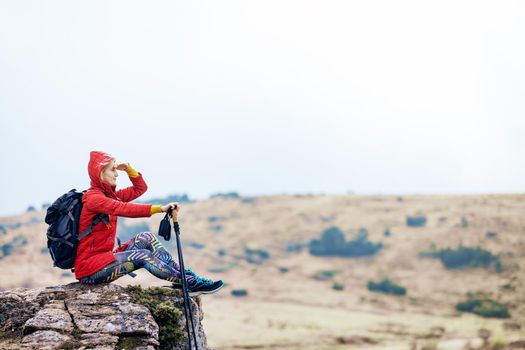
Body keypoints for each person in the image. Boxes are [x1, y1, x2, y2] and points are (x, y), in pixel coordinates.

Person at [75, 150, 224, 296]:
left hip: (105, 259)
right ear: (100, 172)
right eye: (112, 169)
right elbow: (123, 208)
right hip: (90, 270)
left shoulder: (110, 196)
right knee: (142, 255)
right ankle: (189, 282)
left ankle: (184, 277)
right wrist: (160, 208)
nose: (116, 174)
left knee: (146, 237)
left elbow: (140, 189)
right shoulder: (94, 198)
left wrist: (129, 169)